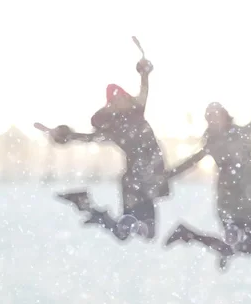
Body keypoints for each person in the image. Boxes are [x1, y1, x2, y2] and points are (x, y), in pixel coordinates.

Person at [163, 86, 251, 270]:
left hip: (249, 199)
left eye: (216, 116)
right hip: (230, 201)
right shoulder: (213, 142)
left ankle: (190, 235)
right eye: (210, 118)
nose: (214, 120)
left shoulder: (241, 132)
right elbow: (191, 161)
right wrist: (168, 175)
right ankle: (221, 242)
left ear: (225, 115)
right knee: (239, 244)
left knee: (249, 248)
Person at [49, 58, 168, 241]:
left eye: (121, 95)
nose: (120, 100)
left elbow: (144, 90)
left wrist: (144, 72)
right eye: (115, 99)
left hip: (146, 173)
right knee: (135, 231)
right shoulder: (114, 127)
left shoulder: (137, 110)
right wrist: (67, 135)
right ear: (111, 104)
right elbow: (91, 138)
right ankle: (87, 205)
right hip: (137, 177)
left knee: (139, 232)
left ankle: (87, 206)